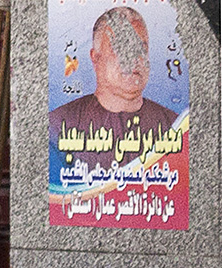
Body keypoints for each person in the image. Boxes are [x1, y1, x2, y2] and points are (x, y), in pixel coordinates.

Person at [48, 7, 177, 171]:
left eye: (141, 48)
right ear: (95, 58)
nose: (134, 58)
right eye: (121, 48)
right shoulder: (58, 125)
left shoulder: (174, 126)